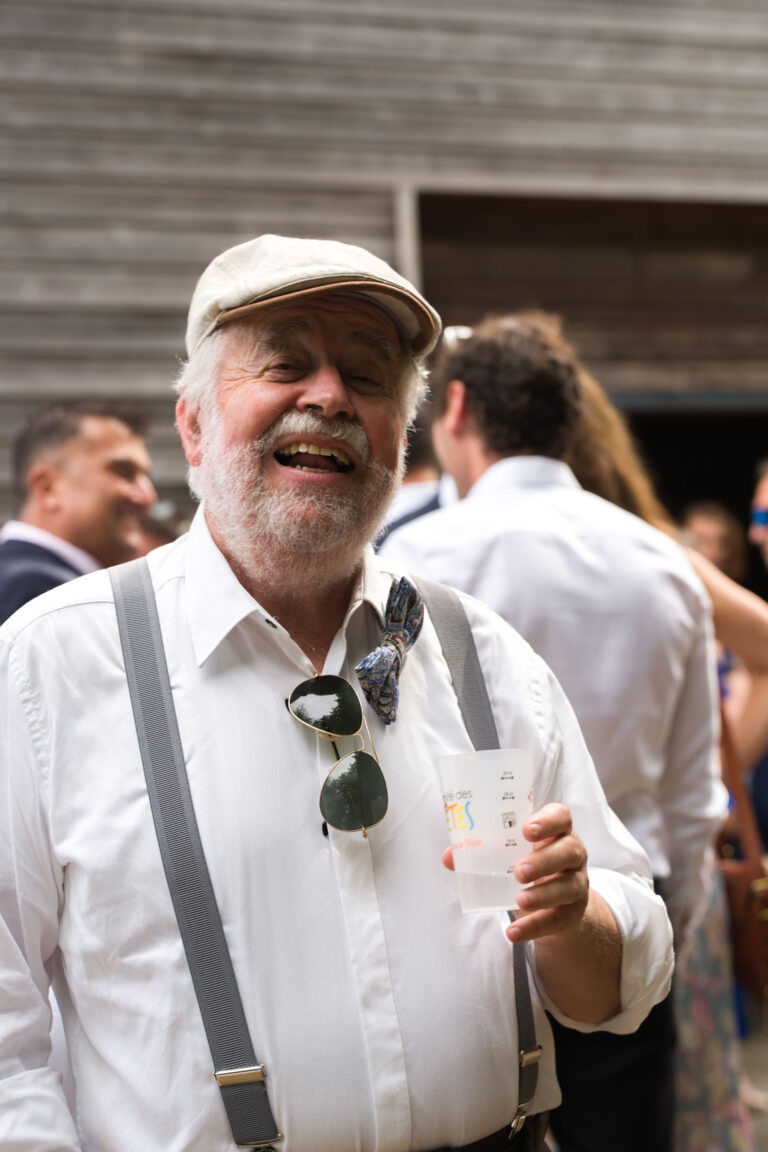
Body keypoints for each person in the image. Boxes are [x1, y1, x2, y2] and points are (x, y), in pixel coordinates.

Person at [0, 235, 673, 1152]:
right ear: (194, 424)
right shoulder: (51, 665)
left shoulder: (481, 654)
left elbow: (616, 991)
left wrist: (576, 915)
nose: (329, 396)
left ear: (403, 432)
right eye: (284, 363)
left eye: (368, 375)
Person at [380, 311, 725, 1152]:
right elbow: (692, 803)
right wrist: (651, 949)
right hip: (621, 955)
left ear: (454, 408)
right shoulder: (665, 565)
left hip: (471, 965)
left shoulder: (412, 557)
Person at [555, 339, 765, 1149]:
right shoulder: (655, 552)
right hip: (655, 868)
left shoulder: (657, 553)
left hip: (615, 878)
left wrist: (713, 762)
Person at [0, 401, 156, 622]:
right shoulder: (40, 594)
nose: (148, 497)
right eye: (124, 473)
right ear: (48, 488)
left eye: (146, 477)